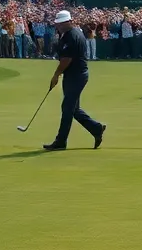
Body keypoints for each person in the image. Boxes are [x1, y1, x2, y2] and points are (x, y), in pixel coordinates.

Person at [43, 10, 106, 150]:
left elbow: (66, 59)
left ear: (68, 22)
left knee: (67, 108)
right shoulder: (71, 33)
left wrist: (56, 75)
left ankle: (61, 141)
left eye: (60, 24)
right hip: (75, 75)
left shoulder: (72, 36)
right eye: (57, 24)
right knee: (73, 109)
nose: (57, 26)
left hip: (76, 76)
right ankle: (96, 128)